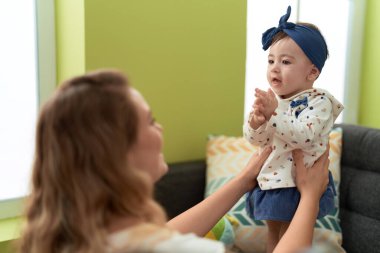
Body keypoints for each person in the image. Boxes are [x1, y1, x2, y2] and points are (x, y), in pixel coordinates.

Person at [18, 69, 330, 253]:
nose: (161, 127)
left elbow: (163, 235)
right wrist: (310, 198)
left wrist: (242, 182)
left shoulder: (77, 238)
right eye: (151, 121)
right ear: (117, 152)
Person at [243, 5, 344, 253]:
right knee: (273, 234)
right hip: (271, 181)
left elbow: (304, 134)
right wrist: (256, 122)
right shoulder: (273, 99)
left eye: (285, 61)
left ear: (312, 72)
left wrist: (272, 115)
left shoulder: (319, 101)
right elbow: (259, 141)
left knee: (292, 234)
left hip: (298, 182)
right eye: (271, 61)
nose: (275, 68)